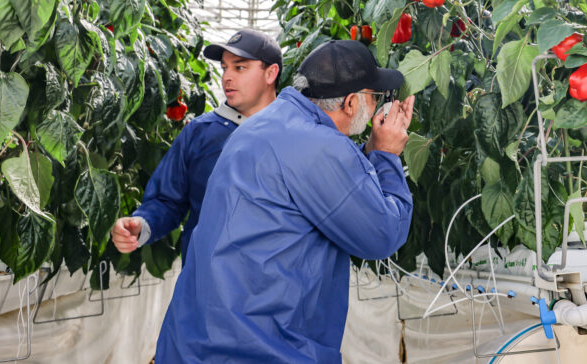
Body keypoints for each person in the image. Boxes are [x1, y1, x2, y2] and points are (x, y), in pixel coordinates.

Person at [155, 39, 415, 363]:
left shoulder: (268, 123)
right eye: (373, 97)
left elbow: (319, 187)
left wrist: (371, 153)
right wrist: (387, 156)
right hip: (256, 348)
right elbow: (382, 234)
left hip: (198, 340)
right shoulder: (318, 147)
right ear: (350, 103)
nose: (376, 105)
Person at [110, 29, 282, 260]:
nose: (227, 77)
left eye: (239, 67)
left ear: (271, 73)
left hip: (275, 283)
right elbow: (168, 198)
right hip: (207, 275)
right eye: (225, 68)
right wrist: (142, 224)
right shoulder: (201, 132)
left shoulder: (293, 133)